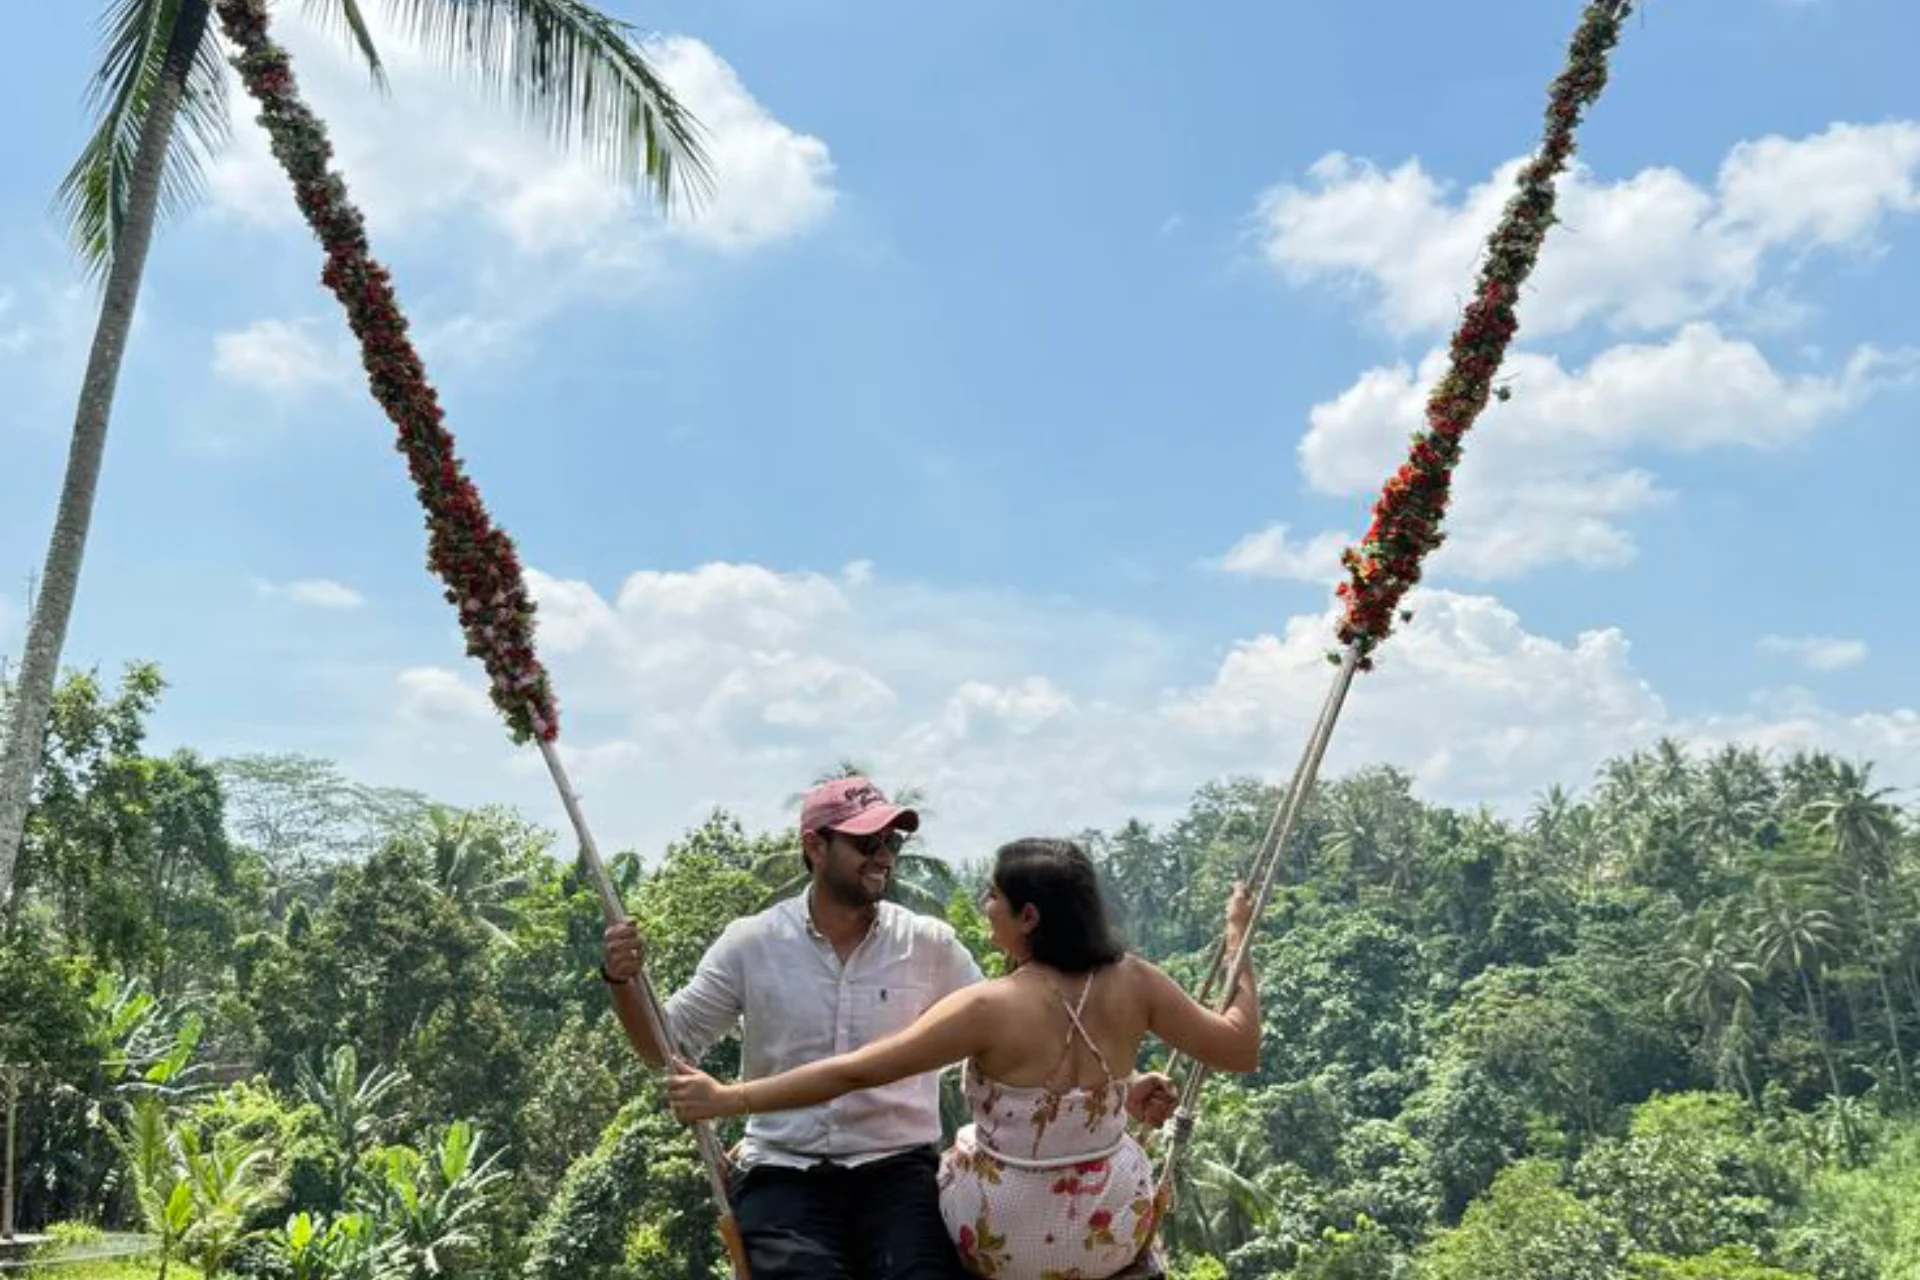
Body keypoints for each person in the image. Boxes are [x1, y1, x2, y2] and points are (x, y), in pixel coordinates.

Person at [601, 779, 1177, 1280]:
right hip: (784, 1170)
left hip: (898, 1172)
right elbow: (666, 1048)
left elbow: (1019, 1043)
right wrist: (624, 983)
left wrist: (1116, 1094)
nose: (883, 855)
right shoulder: (752, 943)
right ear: (815, 847)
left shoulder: (928, 946)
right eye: (866, 842)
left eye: (892, 842)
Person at [664, 837, 1261, 1280]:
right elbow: (1238, 1046)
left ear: (1028, 917)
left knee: (943, 1173)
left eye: (994, 895)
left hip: (1002, 1240)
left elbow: (857, 1070)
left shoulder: (988, 1007)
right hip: (1111, 1232)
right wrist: (1238, 942)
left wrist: (730, 1099)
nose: (984, 904)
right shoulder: (1138, 982)